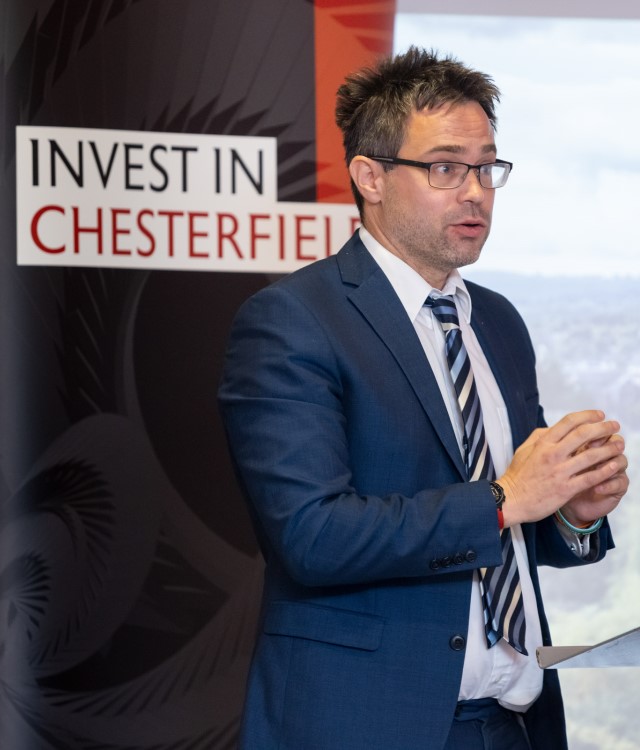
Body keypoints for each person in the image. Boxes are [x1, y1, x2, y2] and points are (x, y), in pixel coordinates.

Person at [218, 47, 629, 750]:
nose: (475, 192)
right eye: (445, 167)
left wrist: (573, 513)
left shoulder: (497, 320)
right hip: (371, 723)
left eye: (487, 168)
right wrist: (504, 498)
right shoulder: (293, 320)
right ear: (370, 177)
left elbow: (515, 527)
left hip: (518, 721)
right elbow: (312, 538)